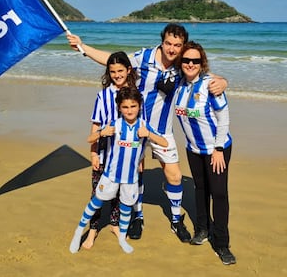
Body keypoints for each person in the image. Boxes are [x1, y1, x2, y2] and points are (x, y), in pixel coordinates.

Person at [67, 23, 227, 242]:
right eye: (169, 43)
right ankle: (138, 216)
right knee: (136, 172)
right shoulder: (144, 57)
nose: (172, 49)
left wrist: (223, 81)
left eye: (177, 45)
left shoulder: (182, 64)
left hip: (162, 130)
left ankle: (176, 219)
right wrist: (83, 47)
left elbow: (203, 74)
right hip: (135, 126)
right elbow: (115, 61)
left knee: (175, 175)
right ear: (162, 41)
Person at [69, 86, 167, 254]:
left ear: (139, 106)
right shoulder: (115, 125)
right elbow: (89, 138)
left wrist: (149, 135)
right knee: (96, 203)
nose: (130, 110)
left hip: (131, 178)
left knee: (126, 207)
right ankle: (78, 232)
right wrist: (102, 132)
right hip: (110, 176)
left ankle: (122, 238)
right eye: (125, 107)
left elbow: (165, 143)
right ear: (119, 108)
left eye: (133, 106)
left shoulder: (144, 126)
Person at [174, 41, 236, 265]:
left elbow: (224, 119)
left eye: (195, 61)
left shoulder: (211, 85)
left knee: (218, 194)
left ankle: (222, 243)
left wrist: (218, 149)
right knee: (200, 190)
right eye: (186, 60)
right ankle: (202, 229)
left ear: (202, 64)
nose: (190, 64)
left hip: (216, 150)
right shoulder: (178, 84)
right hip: (193, 149)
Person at [81, 51, 138, 249]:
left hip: (126, 156)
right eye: (113, 71)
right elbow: (96, 125)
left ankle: (114, 224)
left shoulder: (136, 95)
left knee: (119, 193)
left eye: (120, 70)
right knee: (97, 193)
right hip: (105, 153)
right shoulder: (103, 96)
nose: (117, 75)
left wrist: (140, 161)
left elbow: (142, 130)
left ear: (128, 70)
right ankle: (93, 230)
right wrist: (94, 153)